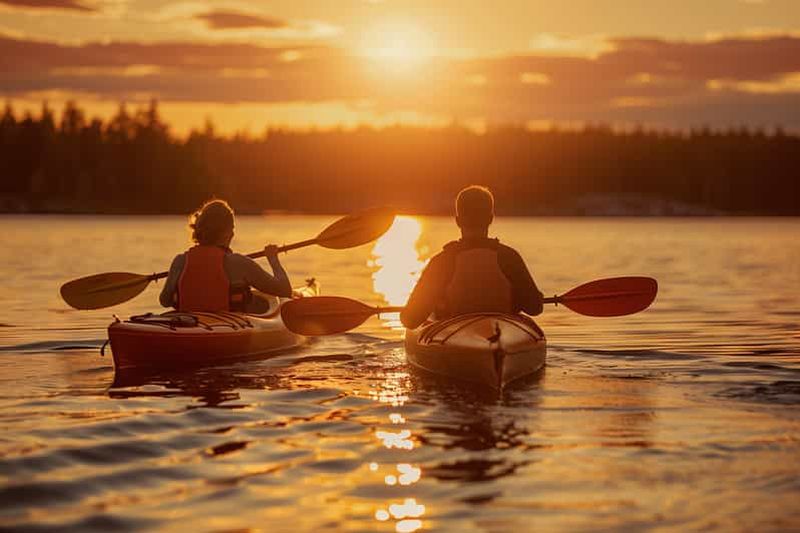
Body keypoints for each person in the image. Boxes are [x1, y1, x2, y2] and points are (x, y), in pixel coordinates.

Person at [400, 185, 543, 329]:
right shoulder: (509, 257)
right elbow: (535, 308)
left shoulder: (443, 261)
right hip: (503, 334)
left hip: (454, 338)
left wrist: (432, 303)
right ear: (490, 219)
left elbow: (410, 320)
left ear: (458, 221)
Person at [159, 199, 292, 314]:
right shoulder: (239, 263)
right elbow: (285, 290)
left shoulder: (180, 261)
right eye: (232, 228)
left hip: (187, 324)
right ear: (226, 233)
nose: (233, 234)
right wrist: (273, 259)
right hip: (227, 329)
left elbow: (165, 301)